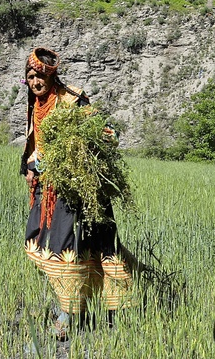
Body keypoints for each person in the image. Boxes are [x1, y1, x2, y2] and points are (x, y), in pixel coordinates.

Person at [21, 46, 135, 340]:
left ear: (52, 75)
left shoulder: (72, 100)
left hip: (76, 195)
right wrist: (32, 166)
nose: (35, 82)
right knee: (45, 249)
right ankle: (72, 307)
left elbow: (109, 133)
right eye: (30, 77)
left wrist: (79, 147)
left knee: (73, 251)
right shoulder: (36, 103)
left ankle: (72, 316)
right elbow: (36, 143)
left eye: (41, 76)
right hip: (48, 193)